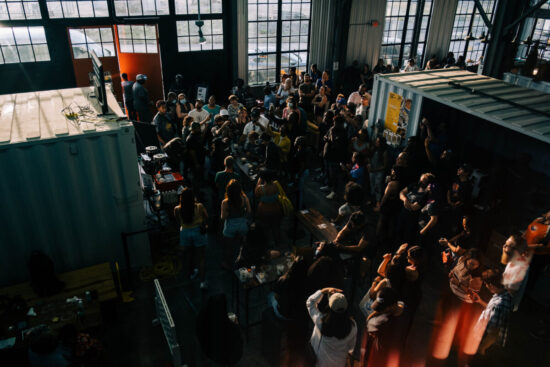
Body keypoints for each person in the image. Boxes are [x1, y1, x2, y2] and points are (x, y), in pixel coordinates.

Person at [306, 288, 357, 367]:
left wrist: (324, 290)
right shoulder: (352, 326)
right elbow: (351, 349)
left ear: (330, 307)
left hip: (319, 363)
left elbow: (310, 302)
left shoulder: (320, 321)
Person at [470, 269, 512, 354]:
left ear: (492, 285)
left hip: (483, 338)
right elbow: (491, 309)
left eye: (486, 284)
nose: (485, 286)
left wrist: (482, 348)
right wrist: (480, 301)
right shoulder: (504, 293)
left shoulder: (498, 305)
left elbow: (493, 334)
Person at [361, 287, 405, 367]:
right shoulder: (404, 310)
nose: (379, 311)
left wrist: (373, 314)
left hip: (379, 359)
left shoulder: (382, 322)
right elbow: (400, 304)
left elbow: (369, 322)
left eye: (382, 308)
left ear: (392, 306)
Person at [174, 187, 208, 289]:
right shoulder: (199, 206)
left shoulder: (177, 209)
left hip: (185, 232)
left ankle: (191, 273)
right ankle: (202, 282)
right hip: (198, 231)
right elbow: (206, 217)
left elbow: (177, 221)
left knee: (189, 254)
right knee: (201, 257)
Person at [221, 179, 251, 269]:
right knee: (243, 245)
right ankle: (242, 261)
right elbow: (249, 211)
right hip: (242, 225)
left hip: (230, 227)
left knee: (228, 247)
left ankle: (228, 264)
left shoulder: (225, 202)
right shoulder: (244, 198)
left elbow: (223, 217)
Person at [398, 173, 435, 244]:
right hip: (403, 214)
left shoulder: (426, 194)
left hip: (412, 218)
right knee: (399, 231)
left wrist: (408, 204)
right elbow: (401, 193)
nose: (421, 181)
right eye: (421, 178)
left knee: (407, 238)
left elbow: (415, 207)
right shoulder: (414, 185)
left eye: (424, 180)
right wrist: (405, 200)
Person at [501, 235, 532, 311]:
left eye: (510, 245)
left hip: (505, 305)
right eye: (506, 243)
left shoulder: (519, 267)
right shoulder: (513, 260)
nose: (504, 246)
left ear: (519, 249)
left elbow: (510, 293)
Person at [255, 168, 283, 249]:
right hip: (276, 209)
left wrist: (259, 181)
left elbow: (256, 194)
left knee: (266, 228)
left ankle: (268, 244)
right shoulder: (276, 185)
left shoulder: (261, 188)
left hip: (264, 211)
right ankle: (277, 243)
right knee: (276, 227)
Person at [322, 115, 348, 200]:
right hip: (328, 154)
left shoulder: (343, 132)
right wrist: (326, 137)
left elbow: (335, 143)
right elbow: (325, 136)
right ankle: (329, 186)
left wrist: (331, 134)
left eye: (335, 123)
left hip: (336, 157)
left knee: (334, 175)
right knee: (328, 172)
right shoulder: (332, 129)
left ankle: (334, 192)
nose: (334, 124)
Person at [368, 136, 389, 207]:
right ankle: (372, 199)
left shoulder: (384, 152)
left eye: (378, 141)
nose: (376, 142)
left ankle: (377, 201)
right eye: (376, 141)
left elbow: (384, 166)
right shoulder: (374, 149)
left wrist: (374, 170)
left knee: (378, 187)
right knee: (372, 186)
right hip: (372, 171)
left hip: (379, 173)